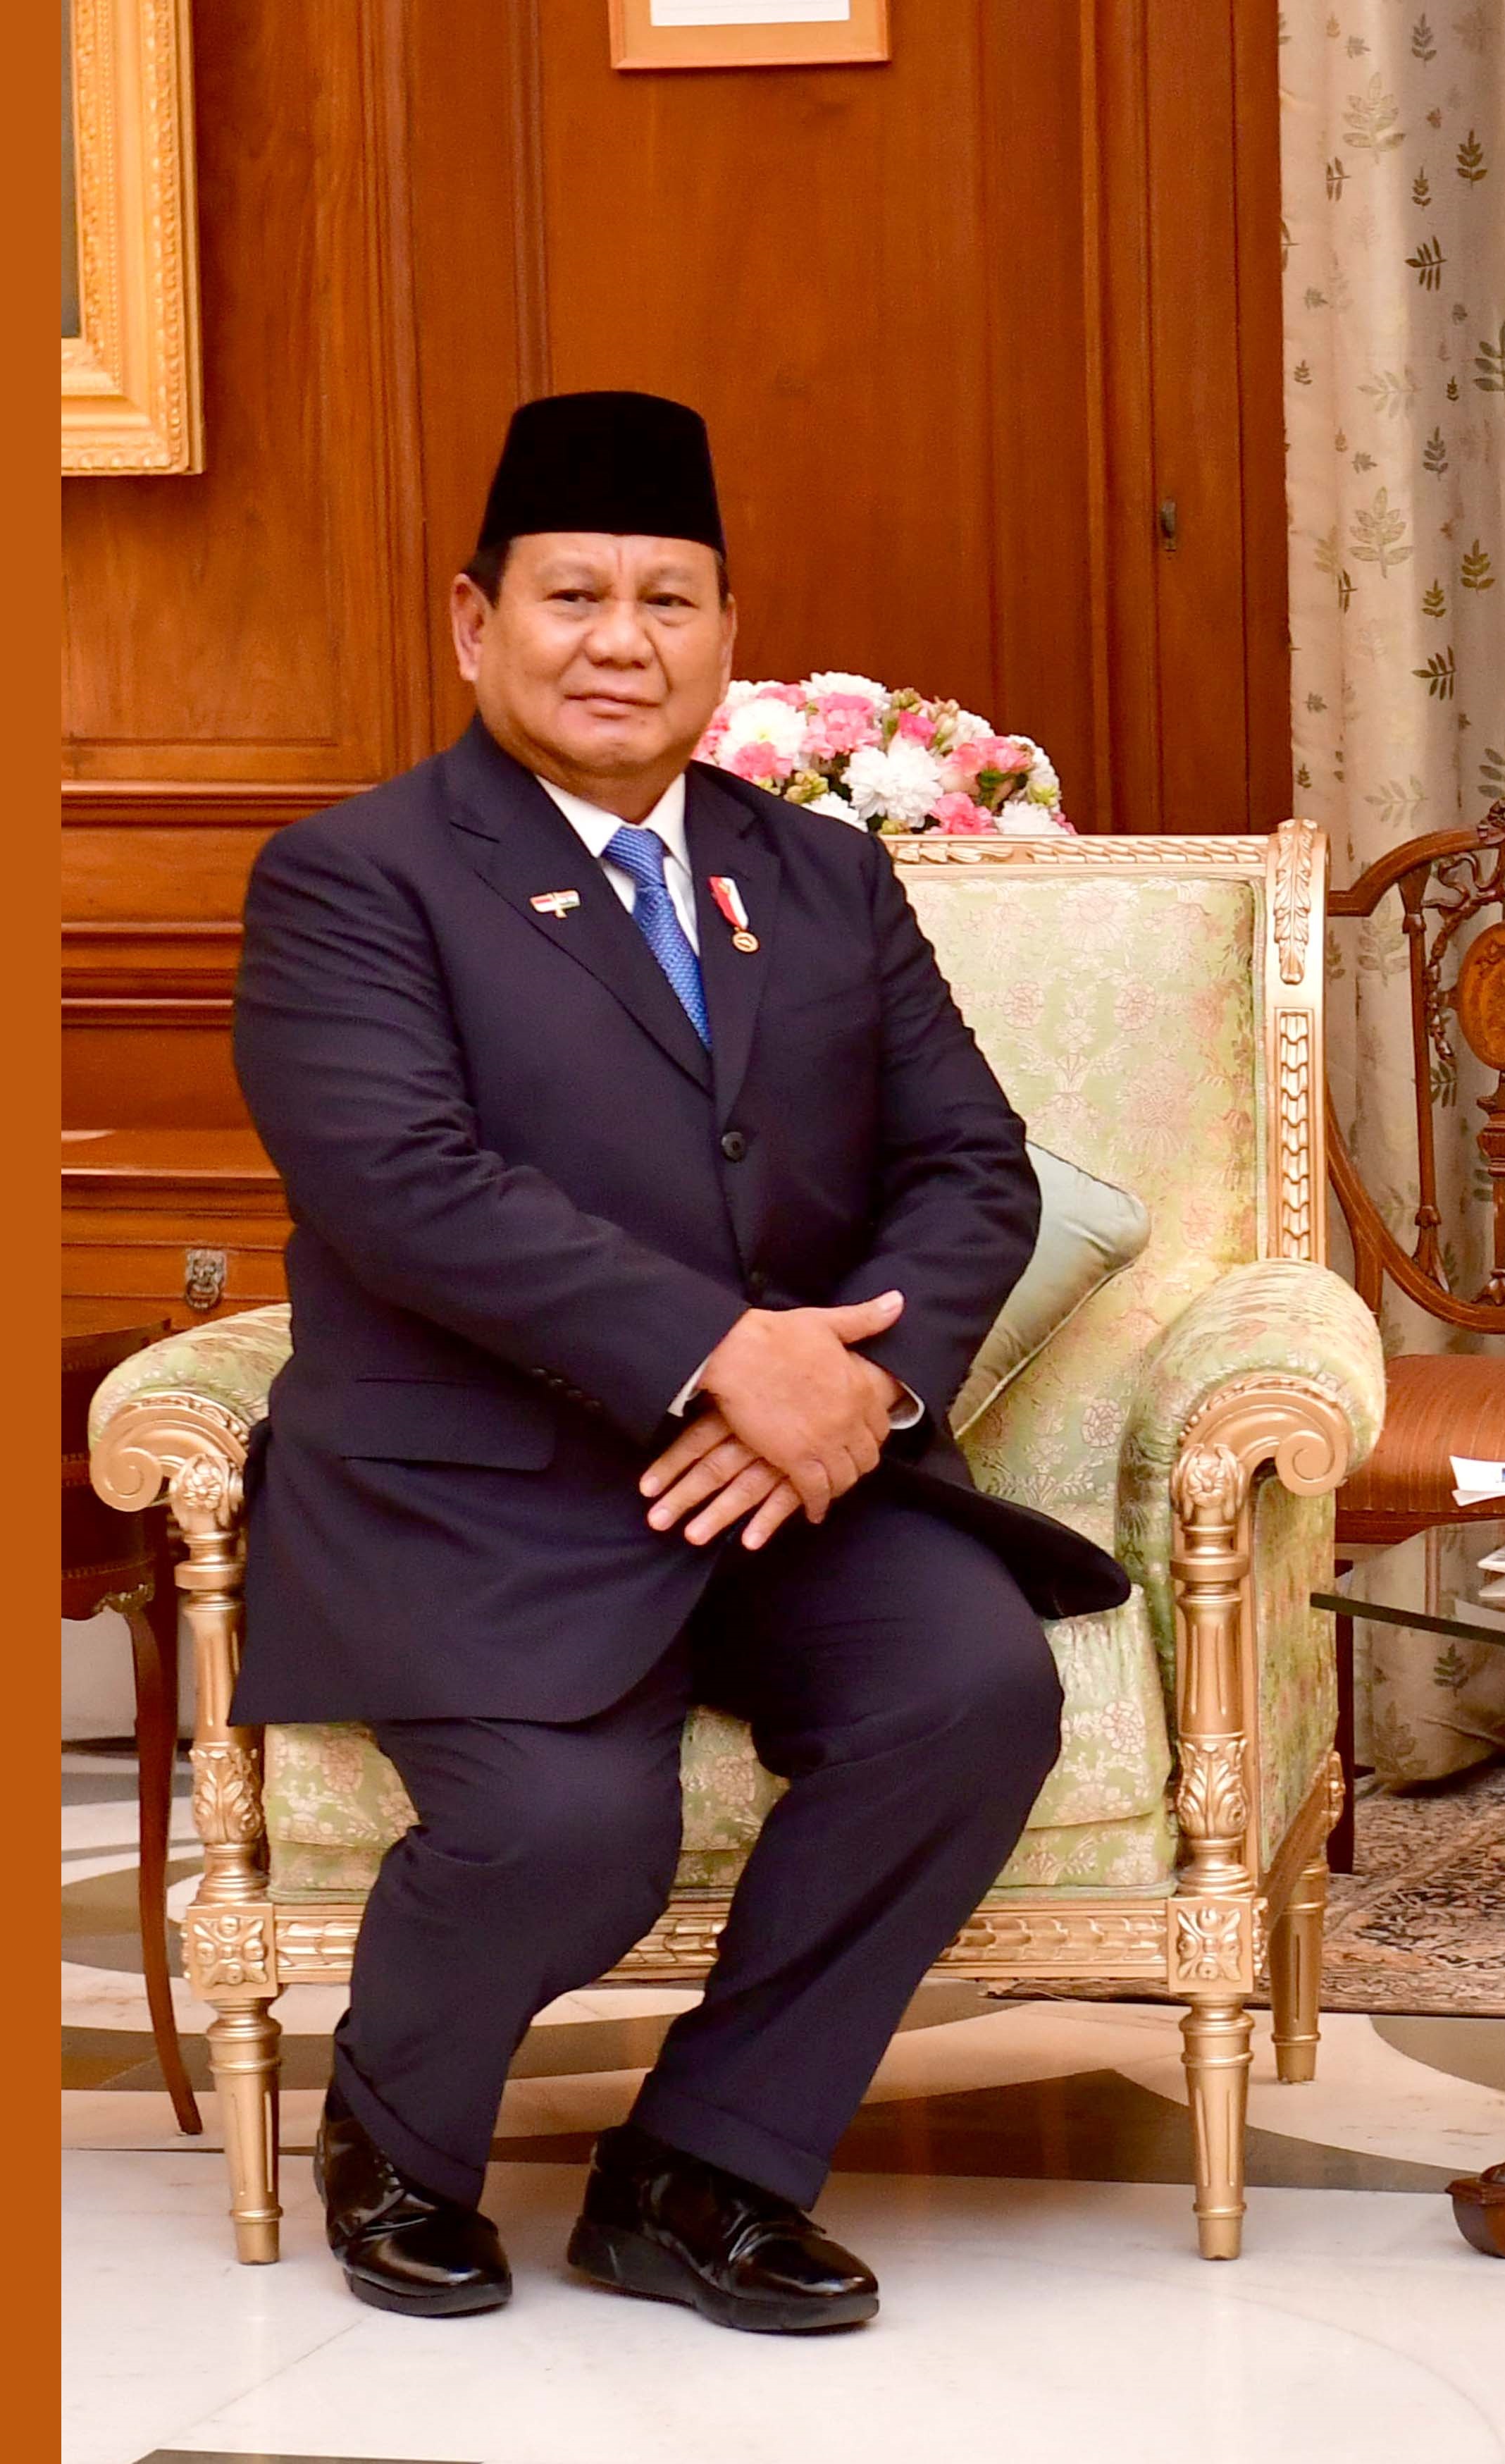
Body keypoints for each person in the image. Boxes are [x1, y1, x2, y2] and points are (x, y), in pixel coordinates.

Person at [226, 389, 1134, 2336]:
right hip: (479, 1492)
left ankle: (701, 2169)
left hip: (785, 1486)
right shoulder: (353, 880)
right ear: (473, 622)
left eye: (666, 598)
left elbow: (966, 1167)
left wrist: (861, 1396)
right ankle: (397, 2133)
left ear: (726, 630)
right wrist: (732, 1355)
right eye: (572, 596)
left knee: (967, 1692)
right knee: (575, 1836)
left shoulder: (816, 881)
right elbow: (405, 1187)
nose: (618, 640)